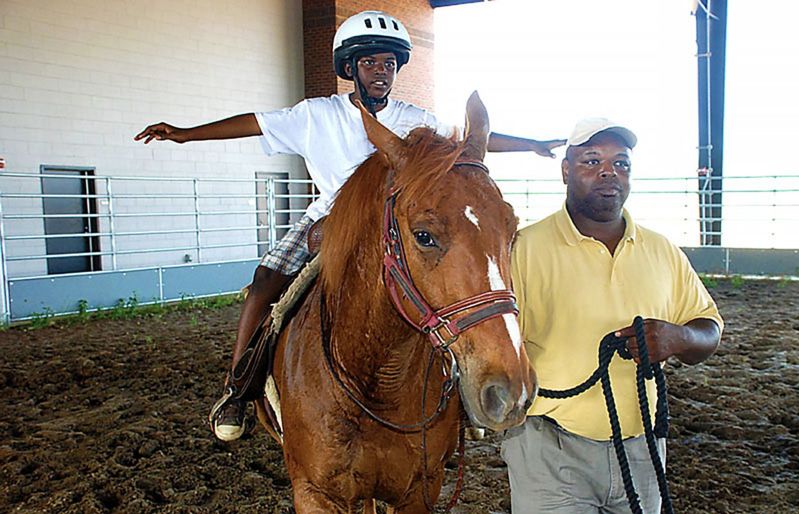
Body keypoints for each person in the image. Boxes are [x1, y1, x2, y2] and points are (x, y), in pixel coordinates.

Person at [134, 10, 564, 442]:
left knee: (436, 294)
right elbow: (255, 122)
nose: (382, 72)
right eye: (371, 63)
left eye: (390, 65)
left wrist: (531, 144)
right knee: (265, 281)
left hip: (395, 224)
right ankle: (238, 386)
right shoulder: (316, 115)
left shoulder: (415, 117)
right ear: (350, 67)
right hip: (328, 217)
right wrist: (187, 134)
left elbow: (475, 140)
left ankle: (458, 393)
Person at [504, 117, 723, 513]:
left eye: (621, 163)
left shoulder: (662, 251)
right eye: (591, 161)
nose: (609, 172)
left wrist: (679, 339)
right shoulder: (521, 250)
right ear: (565, 170)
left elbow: (708, 326)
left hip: (643, 448)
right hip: (549, 451)